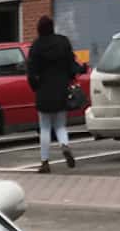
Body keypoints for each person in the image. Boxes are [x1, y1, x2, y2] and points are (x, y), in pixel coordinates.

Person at [26, 15, 80, 172]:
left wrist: (35, 87)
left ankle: (45, 162)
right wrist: (71, 77)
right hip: (61, 88)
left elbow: (31, 71)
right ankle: (64, 145)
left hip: (43, 90)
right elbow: (71, 64)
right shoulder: (63, 42)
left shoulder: (36, 46)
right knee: (60, 125)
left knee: (44, 127)